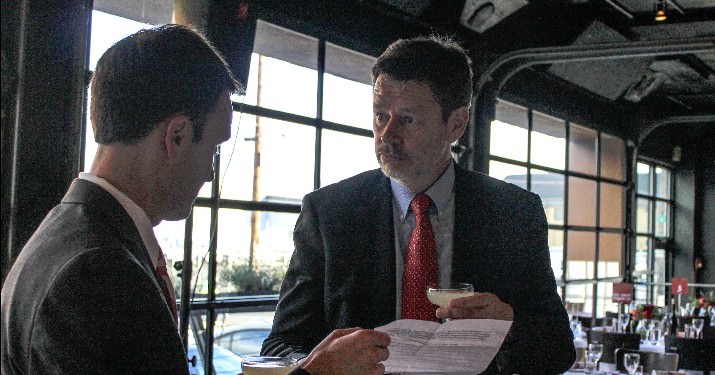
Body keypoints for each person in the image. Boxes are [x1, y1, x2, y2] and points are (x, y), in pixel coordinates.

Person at [0, 25, 388, 375]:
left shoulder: (68, 236)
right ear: (178, 136)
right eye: (215, 148)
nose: (211, 174)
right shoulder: (97, 271)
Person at [262, 35, 575, 374]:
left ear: (455, 124)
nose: (387, 134)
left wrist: (510, 326)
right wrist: (321, 365)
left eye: (407, 119)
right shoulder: (330, 213)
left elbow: (559, 350)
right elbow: (280, 345)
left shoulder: (513, 213)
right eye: (381, 115)